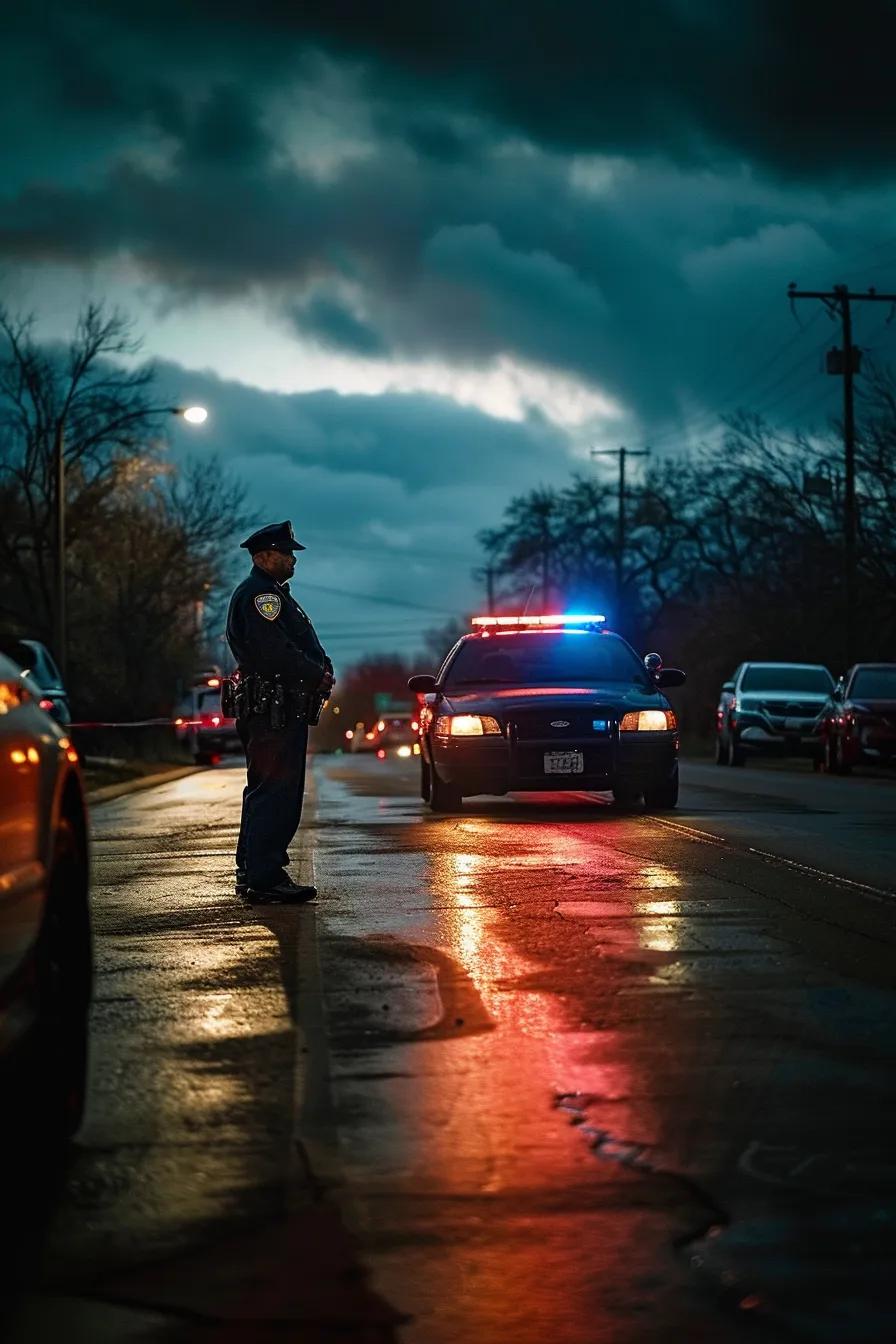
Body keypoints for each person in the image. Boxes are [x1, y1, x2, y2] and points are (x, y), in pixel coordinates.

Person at [225, 520, 334, 902]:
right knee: (277, 790)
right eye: (286, 553)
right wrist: (315, 673)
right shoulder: (262, 597)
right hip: (274, 707)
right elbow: (274, 652)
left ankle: (253, 867)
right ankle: (266, 877)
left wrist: (320, 666)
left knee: (265, 788)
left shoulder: (268, 593)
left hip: (275, 706)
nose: (292, 560)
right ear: (264, 555)